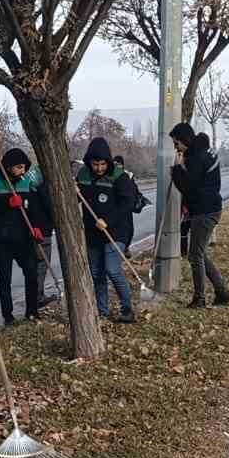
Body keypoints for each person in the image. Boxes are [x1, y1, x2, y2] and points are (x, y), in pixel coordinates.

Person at [169, 121, 229, 309]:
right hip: (210, 208)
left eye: (176, 144)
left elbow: (187, 187)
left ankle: (200, 299)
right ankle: (222, 292)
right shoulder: (205, 152)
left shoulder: (196, 159)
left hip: (205, 212)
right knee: (200, 253)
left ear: (185, 140)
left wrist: (178, 169)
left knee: (194, 255)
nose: (176, 148)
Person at [76, 137, 135, 323]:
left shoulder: (119, 177)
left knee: (112, 270)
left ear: (108, 162)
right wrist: (73, 190)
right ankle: (102, 311)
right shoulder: (83, 174)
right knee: (96, 273)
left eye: (102, 164)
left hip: (116, 231)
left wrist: (107, 220)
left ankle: (127, 309)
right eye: (95, 164)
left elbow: (128, 203)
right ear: (89, 162)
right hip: (93, 233)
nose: (99, 168)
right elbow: (77, 198)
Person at [0, 147, 40, 326]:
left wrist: (36, 226)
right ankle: (8, 316)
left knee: (32, 274)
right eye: (19, 167)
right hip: (2, 239)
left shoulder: (26, 182)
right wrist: (7, 203)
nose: (22, 171)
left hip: (24, 238)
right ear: (8, 167)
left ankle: (32, 311)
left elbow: (33, 208)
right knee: (5, 278)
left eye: (24, 167)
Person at [26, 166, 58, 306]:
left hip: (32, 230)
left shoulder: (28, 189)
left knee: (35, 266)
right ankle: (37, 297)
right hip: (41, 232)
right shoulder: (43, 189)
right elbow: (50, 208)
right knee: (41, 265)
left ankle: (36, 296)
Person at [114, 153, 151, 257]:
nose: (118, 167)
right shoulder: (110, 175)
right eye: (116, 165)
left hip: (126, 208)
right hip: (115, 208)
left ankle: (125, 248)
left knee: (129, 230)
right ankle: (119, 249)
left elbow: (134, 190)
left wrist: (138, 199)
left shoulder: (128, 175)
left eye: (119, 165)